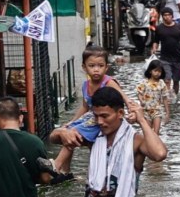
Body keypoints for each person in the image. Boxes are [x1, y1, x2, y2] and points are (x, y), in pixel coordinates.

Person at [51, 47, 126, 178]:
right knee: (67, 131)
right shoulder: (86, 85)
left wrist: (131, 113)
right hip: (91, 118)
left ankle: (57, 165)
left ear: (106, 67)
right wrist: (72, 121)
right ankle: (65, 170)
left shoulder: (109, 82)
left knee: (72, 134)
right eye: (92, 66)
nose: (96, 69)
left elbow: (124, 99)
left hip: (103, 120)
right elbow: (85, 107)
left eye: (100, 66)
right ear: (84, 67)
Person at [151, 6, 180, 95]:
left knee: (176, 81)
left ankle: (175, 98)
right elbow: (156, 41)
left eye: (169, 15)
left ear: (172, 16)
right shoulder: (159, 28)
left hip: (178, 59)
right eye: (165, 15)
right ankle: (167, 98)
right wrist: (154, 48)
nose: (167, 17)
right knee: (167, 79)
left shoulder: (179, 27)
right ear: (162, 16)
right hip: (164, 59)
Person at [136, 59, 171, 133]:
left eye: (160, 71)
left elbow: (165, 98)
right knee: (148, 132)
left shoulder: (161, 83)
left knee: (156, 132)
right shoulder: (145, 82)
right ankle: (148, 144)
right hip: (146, 110)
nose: (158, 73)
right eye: (155, 71)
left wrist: (167, 113)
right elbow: (139, 93)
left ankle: (155, 143)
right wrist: (141, 100)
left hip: (157, 111)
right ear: (150, 71)